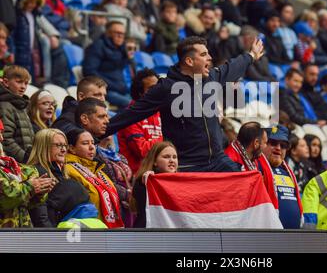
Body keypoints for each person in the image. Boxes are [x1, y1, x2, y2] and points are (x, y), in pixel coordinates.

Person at [105, 36, 265, 172]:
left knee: (250, 180)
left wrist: (251, 56)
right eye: (204, 54)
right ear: (189, 61)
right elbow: (131, 114)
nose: (209, 57)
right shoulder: (166, 88)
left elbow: (232, 67)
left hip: (217, 160)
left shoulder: (210, 79)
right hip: (186, 164)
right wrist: (97, 133)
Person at [27, 128, 102, 227]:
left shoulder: (61, 172)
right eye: (58, 145)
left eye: (64, 145)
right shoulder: (38, 172)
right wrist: (51, 237)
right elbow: (41, 215)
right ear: (44, 147)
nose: (63, 150)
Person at [65, 128, 123, 228]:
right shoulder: (68, 170)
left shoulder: (99, 171)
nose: (91, 147)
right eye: (85, 143)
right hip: (86, 232)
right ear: (71, 148)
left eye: (93, 143)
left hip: (105, 229)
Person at [0, 118, 54, 227]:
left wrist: (38, 192)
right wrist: (30, 187)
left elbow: (25, 204)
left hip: (19, 236)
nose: (1, 138)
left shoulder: (9, 165)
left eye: (1, 133)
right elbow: (4, 199)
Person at [117, 69, 163, 174]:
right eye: (151, 88)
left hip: (158, 172)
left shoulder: (161, 111)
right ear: (140, 92)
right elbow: (141, 150)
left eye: (158, 87)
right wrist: (166, 139)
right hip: (137, 176)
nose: (157, 91)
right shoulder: (131, 114)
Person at [257, 125, 303, 229]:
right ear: (263, 144)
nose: (278, 148)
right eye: (273, 143)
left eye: (283, 146)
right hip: (269, 236)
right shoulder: (255, 167)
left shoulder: (288, 170)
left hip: (294, 236)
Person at [83, 21, 132, 109]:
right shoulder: (98, 46)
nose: (120, 36)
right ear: (108, 33)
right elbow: (89, 71)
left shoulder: (121, 48)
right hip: (107, 91)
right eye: (117, 33)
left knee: (142, 101)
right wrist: (110, 85)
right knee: (132, 104)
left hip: (122, 89)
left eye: (123, 34)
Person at [132, 141, 178, 228]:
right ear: (155, 162)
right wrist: (146, 182)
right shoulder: (144, 180)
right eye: (166, 157)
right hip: (147, 236)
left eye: (174, 157)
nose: (172, 160)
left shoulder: (182, 182)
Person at [0, 65, 34, 163]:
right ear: (6, 82)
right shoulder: (5, 106)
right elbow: (6, 139)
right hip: (18, 163)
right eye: (19, 82)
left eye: (26, 83)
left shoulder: (21, 105)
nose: (23, 87)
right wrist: (26, 158)